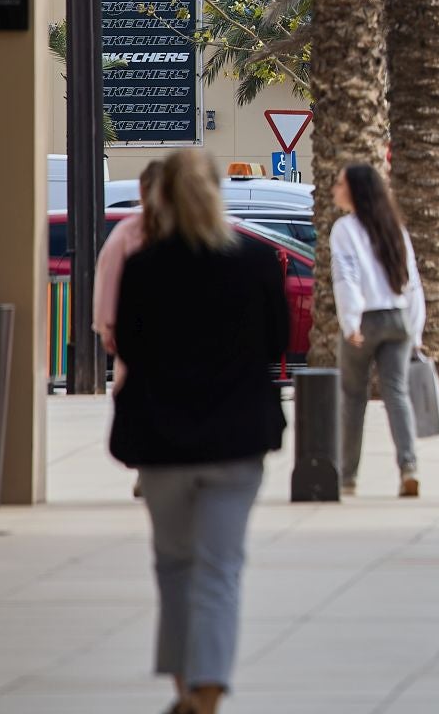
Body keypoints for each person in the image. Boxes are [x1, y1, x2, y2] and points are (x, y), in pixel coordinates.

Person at [110, 150, 287, 714]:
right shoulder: (255, 262)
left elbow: (130, 346)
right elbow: (278, 341)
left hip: (162, 441)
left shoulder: (143, 267)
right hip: (237, 440)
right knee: (220, 565)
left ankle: (187, 684)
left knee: (174, 563)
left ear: (160, 196)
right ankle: (207, 686)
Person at [333, 163, 426, 498]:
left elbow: (347, 278)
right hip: (398, 318)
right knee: (396, 394)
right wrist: (415, 333)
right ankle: (408, 466)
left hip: (367, 319)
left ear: (355, 191)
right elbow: (411, 281)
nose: (335, 189)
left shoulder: (345, 229)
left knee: (353, 397)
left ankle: (347, 476)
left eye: (340, 183)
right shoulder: (393, 227)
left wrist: (350, 322)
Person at [96, 159, 164, 392]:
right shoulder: (187, 231)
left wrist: (108, 328)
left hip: (135, 340)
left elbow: (108, 277)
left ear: (142, 191)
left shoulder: (128, 232)